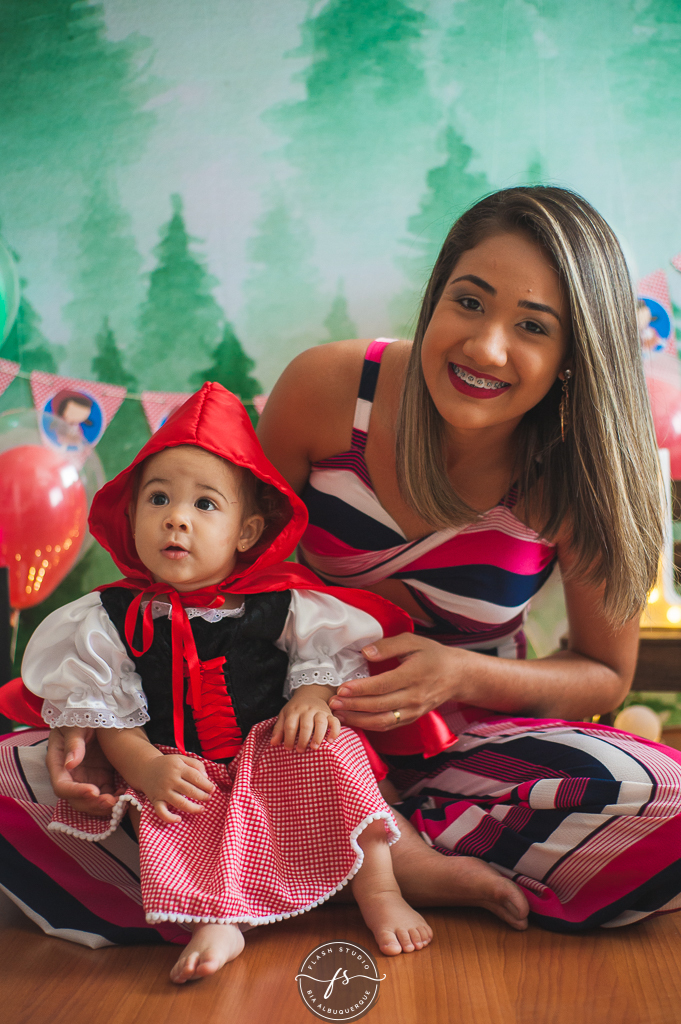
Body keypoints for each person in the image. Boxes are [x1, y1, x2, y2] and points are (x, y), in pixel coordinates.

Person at [256, 186, 681, 934]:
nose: (486, 347)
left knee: (664, 796)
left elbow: (603, 673)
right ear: (434, 298)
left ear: (573, 355)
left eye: (531, 327)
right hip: (288, 728)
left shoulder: (575, 472)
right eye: (470, 302)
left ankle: (331, 851)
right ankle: (383, 849)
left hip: (462, 745)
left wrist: (463, 673)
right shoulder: (326, 391)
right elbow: (228, 584)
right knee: (29, 778)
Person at [1, 383, 433, 981]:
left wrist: (312, 696)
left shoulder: (282, 603)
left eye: (205, 505)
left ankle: (379, 888)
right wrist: (146, 766)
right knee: (175, 813)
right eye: (158, 499)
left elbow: (332, 656)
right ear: (131, 518)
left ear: (247, 532)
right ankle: (222, 917)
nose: (176, 516)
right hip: (182, 762)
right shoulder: (110, 619)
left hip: (273, 753)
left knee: (337, 749)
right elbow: (109, 718)